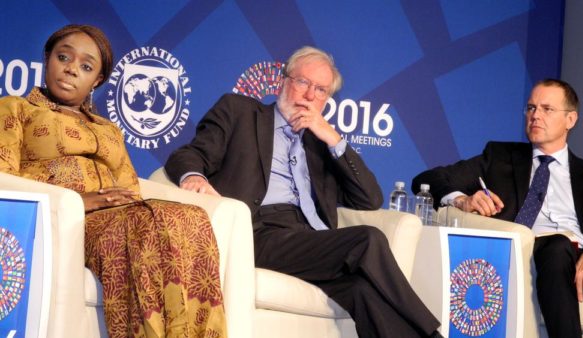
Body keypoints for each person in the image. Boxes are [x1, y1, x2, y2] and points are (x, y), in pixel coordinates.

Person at [165, 46, 441, 338]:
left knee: (361, 292)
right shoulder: (240, 112)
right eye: (303, 83)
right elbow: (187, 155)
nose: (310, 95)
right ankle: (434, 334)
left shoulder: (321, 145)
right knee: (368, 238)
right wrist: (194, 177)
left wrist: (333, 138)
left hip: (312, 241)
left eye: (321, 90)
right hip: (259, 232)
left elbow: (369, 198)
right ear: (284, 81)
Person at [0, 24, 226, 338]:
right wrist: (81, 202)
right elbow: (6, 183)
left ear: (98, 80)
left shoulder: (109, 130)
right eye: (63, 57)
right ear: (47, 58)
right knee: (147, 226)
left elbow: (130, 189)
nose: (71, 69)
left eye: (86, 66)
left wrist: (124, 203)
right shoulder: (15, 109)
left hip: (121, 217)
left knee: (189, 217)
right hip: (65, 222)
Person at [412, 79, 583, 338]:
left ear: (571, 120)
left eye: (547, 109)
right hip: (535, 250)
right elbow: (427, 179)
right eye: (531, 108)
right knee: (558, 247)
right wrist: (461, 199)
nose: (535, 116)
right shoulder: (499, 157)